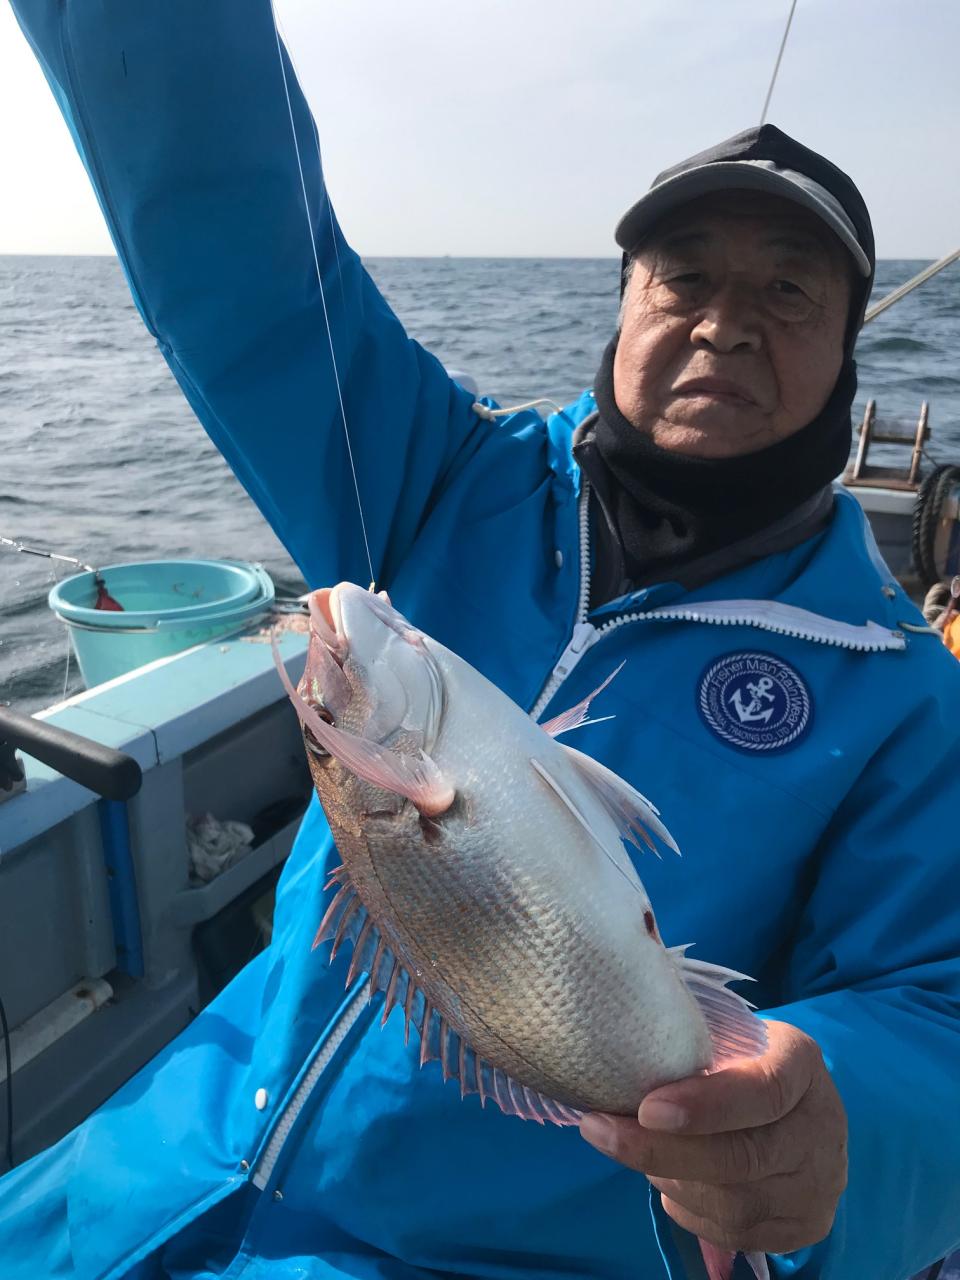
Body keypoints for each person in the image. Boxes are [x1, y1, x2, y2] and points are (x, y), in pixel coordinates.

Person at [3, 3, 960, 1278]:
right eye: (684, 276)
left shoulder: (904, 691)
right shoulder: (450, 474)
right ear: (622, 307)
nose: (726, 322)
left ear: (849, 349)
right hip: (168, 1149)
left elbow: (938, 1010)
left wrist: (835, 1120)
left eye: (788, 289)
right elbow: (246, 265)